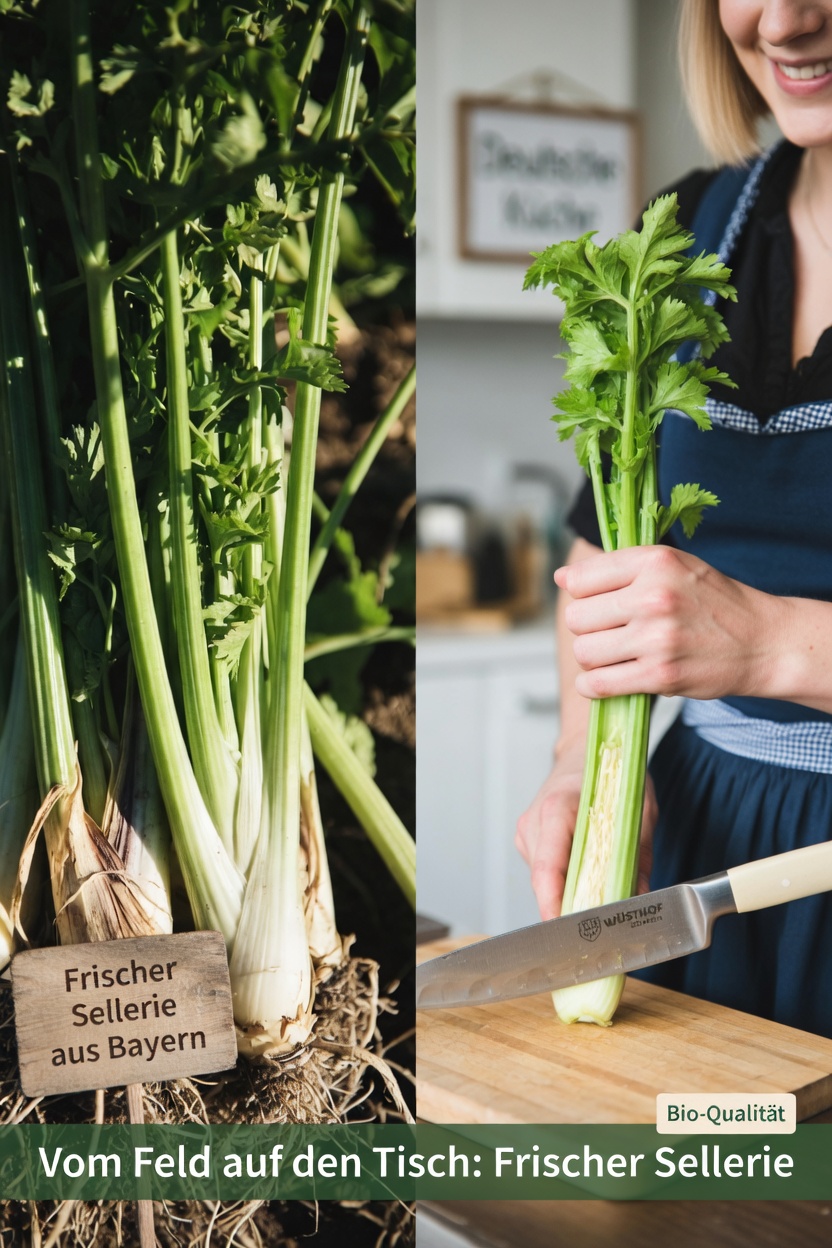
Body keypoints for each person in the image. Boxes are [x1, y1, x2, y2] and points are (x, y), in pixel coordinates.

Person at [516, 0, 832, 1038]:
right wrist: (577, 762)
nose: (781, 19)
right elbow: (601, 545)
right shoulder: (689, 230)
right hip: (701, 853)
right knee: (705, 1178)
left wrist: (776, 643)